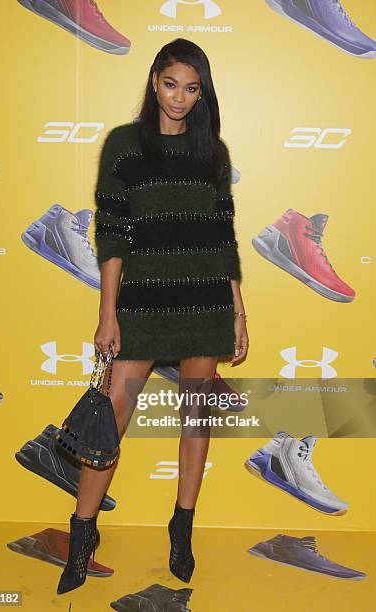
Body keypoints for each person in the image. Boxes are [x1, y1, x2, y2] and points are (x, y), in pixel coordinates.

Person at [57, 37, 249, 595]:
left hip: (204, 298)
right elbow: (111, 235)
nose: (180, 98)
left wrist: (237, 309)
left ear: (202, 92)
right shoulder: (123, 146)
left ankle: (181, 526)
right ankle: (83, 531)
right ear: (153, 81)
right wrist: (107, 313)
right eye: (171, 85)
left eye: (192, 89)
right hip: (142, 300)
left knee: (195, 417)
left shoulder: (213, 151)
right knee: (111, 416)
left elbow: (224, 235)